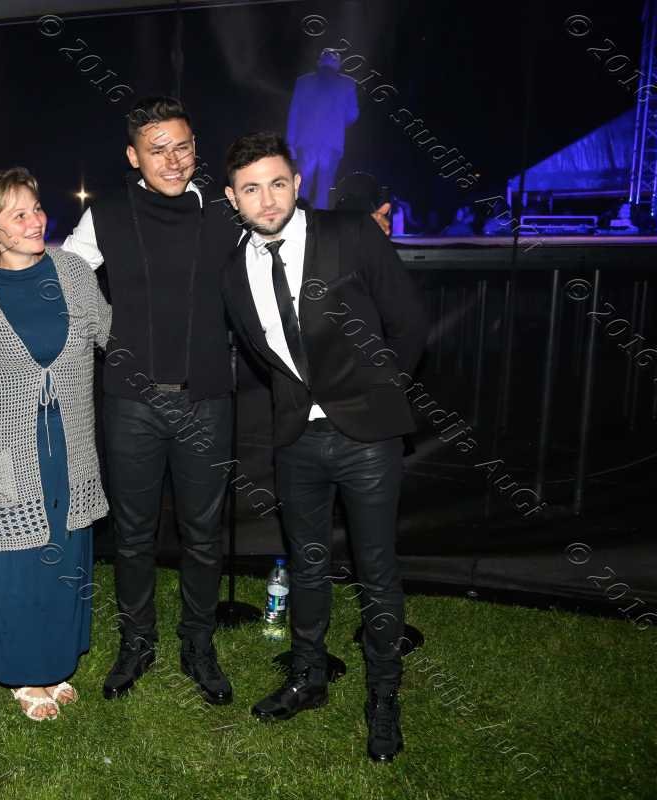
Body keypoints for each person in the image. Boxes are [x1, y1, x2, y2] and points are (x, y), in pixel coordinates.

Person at [220, 132, 428, 762]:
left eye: (277, 183)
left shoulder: (350, 234)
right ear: (232, 198)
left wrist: (379, 395)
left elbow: (409, 322)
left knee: (376, 571)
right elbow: (265, 354)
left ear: (297, 184)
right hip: (295, 440)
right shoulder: (233, 269)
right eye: (251, 189)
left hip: (368, 436)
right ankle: (308, 677)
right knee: (306, 564)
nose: (267, 199)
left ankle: (383, 697)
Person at [61, 96, 242, 705]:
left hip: (206, 401)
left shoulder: (226, 212)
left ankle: (198, 643)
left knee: (203, 535)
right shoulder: (107, 214)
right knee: (134, 535)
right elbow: (57, 278)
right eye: (157, 149)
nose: (173, 160)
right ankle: (137, 642)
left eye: (182, 146)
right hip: (131, 404)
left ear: (196, 148)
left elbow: (285, 233)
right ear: (133, 156)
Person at [0, 167, 111, 720]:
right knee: (16, 560)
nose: (35, 220)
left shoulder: (72, 272)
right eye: (18, 214)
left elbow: (113, 334)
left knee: (65, 553)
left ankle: (55, 661)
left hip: (70, 443)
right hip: (3, 452)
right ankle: (24, 672)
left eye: (37, 208)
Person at [286, 48, 360, 210]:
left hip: (306, 142)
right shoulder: (347, 83)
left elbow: (294, 113)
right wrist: (337, 124)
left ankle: (301, 221)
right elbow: (353, 114)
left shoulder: (303, 82)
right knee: (324, 189)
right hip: (332, 143)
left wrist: (290, 143)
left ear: (319, 62)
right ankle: (321, 223)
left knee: (303, 186)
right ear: (338, 65)